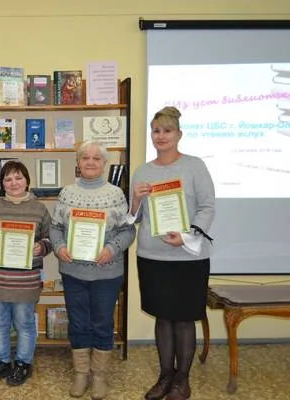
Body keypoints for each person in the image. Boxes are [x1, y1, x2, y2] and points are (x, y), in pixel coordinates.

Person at [129, 106, 215, 400]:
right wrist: (135, 200)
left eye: (167, 131)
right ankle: (165, 376)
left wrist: (187, 236)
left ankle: (182, 380)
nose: (161, 136)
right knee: (163, 318)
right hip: (152, 257)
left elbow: (207, 207)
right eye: (156, 131)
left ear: (179, 134)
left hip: (188, 257)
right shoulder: (143, 171)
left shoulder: (194, 166)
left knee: (184, 318)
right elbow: (135, 218)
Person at [50, 141, 136, 400]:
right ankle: (81, 373)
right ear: (78, 162)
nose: (90, 162)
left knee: (102, 323)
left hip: (106, 273)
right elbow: (55, 227)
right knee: (78, 323)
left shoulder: (116, 194)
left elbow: (127, 230)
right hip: (73, 272)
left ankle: (99, 376)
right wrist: (59, 246)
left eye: (96, 158)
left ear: (104, 163)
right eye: (85, 158)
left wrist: (112, 248)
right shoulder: (67, 193)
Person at [0, 161, 52, 386]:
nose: (13, 183)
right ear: (2, 184)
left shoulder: (39, 209)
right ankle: (2, 361)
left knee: (24, 323)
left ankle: (23, 363)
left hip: (26, 280)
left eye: (18, 178)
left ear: (27, 181)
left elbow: (50, 239)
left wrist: (41, 247)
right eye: (8, 179)